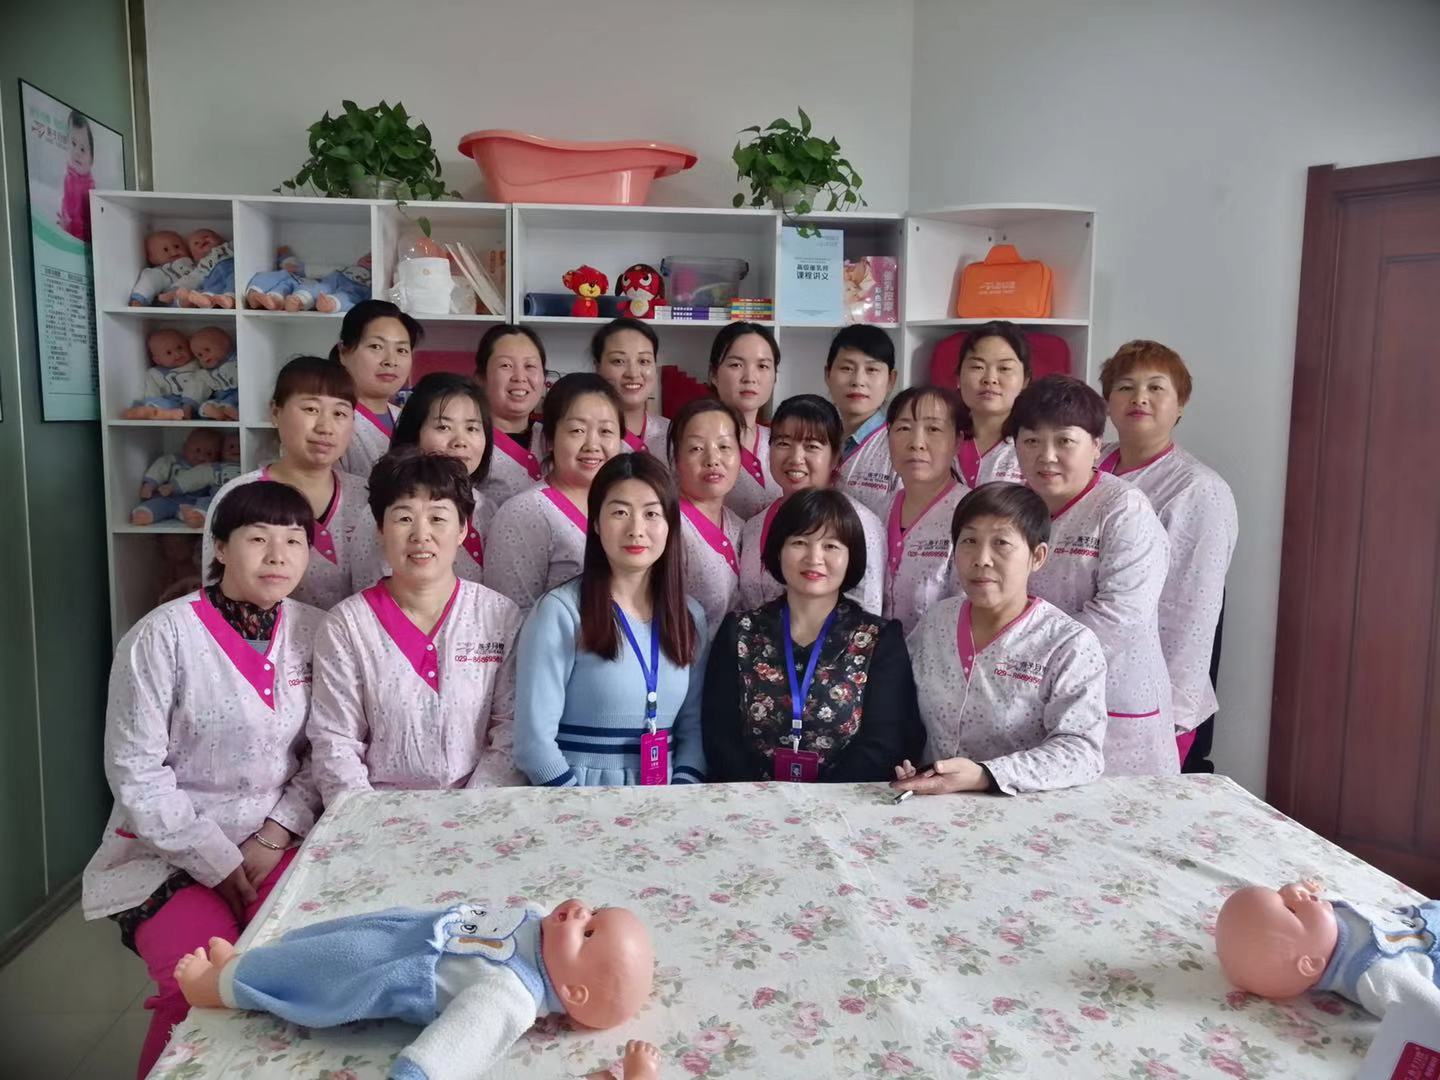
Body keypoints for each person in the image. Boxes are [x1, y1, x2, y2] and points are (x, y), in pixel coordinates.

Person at [82, 480, 324, 1078]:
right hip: (165, 854)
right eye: (258, 539)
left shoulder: (317, 631)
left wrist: (274, 834)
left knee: (292, 977)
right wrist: (216, 860)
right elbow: (136, 773)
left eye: (294, 541)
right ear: (219, 547)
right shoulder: (161, 636)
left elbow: (324, 751)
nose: (277, 555)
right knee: (197, 987)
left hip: (276, 843)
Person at [308, 449, 523, 803]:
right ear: (380, 529)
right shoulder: (346, 626)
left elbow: (511, 731)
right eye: (404, 518)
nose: (421, 534)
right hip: (376, 814)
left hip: (480, 811)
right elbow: (335, 742)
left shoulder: (499, 616)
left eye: (438, 518)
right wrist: (368, 819)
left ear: (463, 529)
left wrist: (472, 811)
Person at [1009, 374, 1176, 776]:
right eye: (1031, 441)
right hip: (1030, 702)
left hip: (1113, 705)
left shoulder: (1123, 509)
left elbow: (1121, 616)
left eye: (1064, 441)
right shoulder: (1014, 508)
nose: (1046, 456)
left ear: (1097, 445)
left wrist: (1025, 660)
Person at [894, 483, 1108, 796]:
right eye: (969, 541)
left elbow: (1081, 752)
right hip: (933, 804)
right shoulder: (937, 621)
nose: (982, 559)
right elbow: (902, 708)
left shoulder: (1067, 644)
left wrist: (985, 775)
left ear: (1037, 556)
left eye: (1001, 543)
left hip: (1023, 810)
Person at [703, 488, 924, 783]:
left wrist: (820, 800)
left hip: (847, 802)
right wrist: (763, 796)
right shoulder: (739, 631)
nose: (814, 557)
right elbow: (719, 735)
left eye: (830, 546)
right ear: (778, 550)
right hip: (750, 800)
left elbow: (884, 742)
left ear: (851, 557)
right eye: (799, 542)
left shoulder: (879, 639)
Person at [513, 454, 708, 787]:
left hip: (667, 799)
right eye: (620, 512)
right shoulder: (560, 611)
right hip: (577, 796)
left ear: (670, 525)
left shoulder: (690, 616)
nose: (636, 530)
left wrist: (680, 798)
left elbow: (694, 731)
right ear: (596, 523)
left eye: (651, 514)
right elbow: (533, 744)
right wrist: (578, 808)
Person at [1100, 340, 1238, 771]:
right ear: (1107, 401)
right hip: (1086, 676)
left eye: (1156, 387)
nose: (1139, 398)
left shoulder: (1197, 490)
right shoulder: (1090, 462)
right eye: (1125, 387)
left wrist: (1174, 717)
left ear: (1180, 404)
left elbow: (1193, 612)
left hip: (1153, 696)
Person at [202, 356, 380, 610]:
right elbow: (217, 595)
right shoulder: (239, 495)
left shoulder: (367, 496)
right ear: (275, 412)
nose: (325, 427)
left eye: (340, 413)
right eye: (311, 409)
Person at [484, 373, 624, 615]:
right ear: (549, 440)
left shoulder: (628, 505)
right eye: (577, 430)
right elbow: (510, 616)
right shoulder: (524, 512)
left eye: (606, 431)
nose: (592, 444)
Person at [736, 394, 884, 613]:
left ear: (835, 456)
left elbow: (868, 611)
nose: (796, 458)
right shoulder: (753, 526)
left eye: (812, 446)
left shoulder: (859, 523)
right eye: (783, 443)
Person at [391, 372, 496, 582]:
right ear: (414, 434)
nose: (460, 441)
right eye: (443, 427)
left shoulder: (489, 509)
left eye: (472, 428)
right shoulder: (388, 511)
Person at [882, 386, 970, 635]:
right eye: (903, 429)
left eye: (933, 429)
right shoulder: (876, 512)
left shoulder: (972, 515)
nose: (916, 444)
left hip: (939, 654)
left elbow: (969, 610)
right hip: (873, 656)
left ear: (957, 441)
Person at [669, 397, 745, 632]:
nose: (712, 460)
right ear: (676, 460)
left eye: (724, 447)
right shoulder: (667, 525)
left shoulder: (738, 525)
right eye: (696, 448)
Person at [333, 299, 421, 477]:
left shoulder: (407, 418)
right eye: (376, 346)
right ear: (343, 351)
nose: (391, 361)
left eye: (401, 350)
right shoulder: (331, 419)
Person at [709, 321, 782, 518]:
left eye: (763, 366)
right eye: (736, 365)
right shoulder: (693, 443)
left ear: (775, 377)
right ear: (714, 374)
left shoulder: (781, 441)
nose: (750, 377)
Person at [826, 324, 900, 517]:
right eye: (847, 368)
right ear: (827, 374)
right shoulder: (818, 436)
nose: (858, 381)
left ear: (891, 380)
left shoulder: (900, 444)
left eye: (872, 369)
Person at [475, 323, 549, 506]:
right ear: (481, 378)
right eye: (506, 365)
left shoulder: (554, 437)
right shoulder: (468, 441)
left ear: (544, 380)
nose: (520, 377)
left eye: (530, 366)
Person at [953, 321, 1030, 487]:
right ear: (958, 377)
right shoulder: (940, 437)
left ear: (1025, 380)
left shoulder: (1035, 445)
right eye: (977, 367)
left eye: (1004, 368)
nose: (990, 379)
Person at [591, 317, 669, 459]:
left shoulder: (673, 433)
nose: (633, 373)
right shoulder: (584, 434)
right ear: (597, 367)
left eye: (644, 361)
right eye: (618, 361)